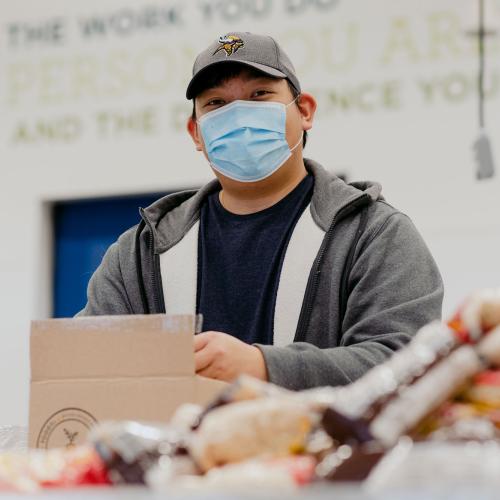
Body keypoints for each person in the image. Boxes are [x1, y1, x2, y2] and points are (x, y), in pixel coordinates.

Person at [78, 32, 443, 390]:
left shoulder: (373, 234)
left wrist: (265, 367)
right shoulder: (140, 254)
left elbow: (409, 365)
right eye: (216, 104)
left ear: (304, 111)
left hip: (323, 450)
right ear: (196, 133)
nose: (238, 115)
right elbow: (81, 366)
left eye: (260, 95)